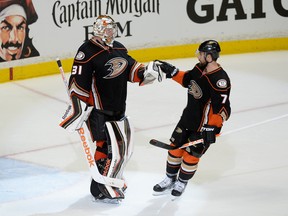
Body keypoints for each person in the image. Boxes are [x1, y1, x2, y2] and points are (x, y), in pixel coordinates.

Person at [59, 15, 161, 204]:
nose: (112, 32)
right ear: (98, 30)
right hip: (98, 110)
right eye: (108, 29)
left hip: (118, 106)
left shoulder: (119, 48)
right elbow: (78, 84)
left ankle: (111, 179)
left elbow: (131, 68)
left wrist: (147, 72)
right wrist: (77, 110)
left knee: (119, 147)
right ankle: (98, 188)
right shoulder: (86, 51)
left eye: (113, 28)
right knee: (104, 145)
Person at [153, 40, 231, 198]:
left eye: (201, 54)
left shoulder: (220, 80)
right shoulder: (199, 68)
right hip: (187, 118)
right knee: (174, 149)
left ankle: (182, 182)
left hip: (203, 127)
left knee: (191, 156)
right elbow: (187, 79)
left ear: (209, 57)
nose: (198, 56)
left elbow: (222, 108)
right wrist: (172, 72)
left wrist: (212, 128)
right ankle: (169, 179)